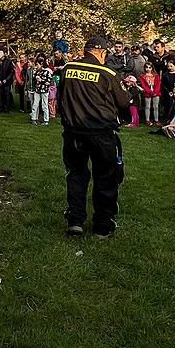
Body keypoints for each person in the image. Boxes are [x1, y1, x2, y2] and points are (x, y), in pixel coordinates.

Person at [58, 36, 130, 239]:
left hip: (73, 133)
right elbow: (124, 102)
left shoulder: (68, 69)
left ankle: (75, 221)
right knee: (106, 177)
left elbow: (63, 96)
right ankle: (103, 226)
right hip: (101, 133)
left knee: (76, 175)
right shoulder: (107, 72)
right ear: (101, 52)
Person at [29, 57, 52, 126]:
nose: (36, 66)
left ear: (41, 64)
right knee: (35, 104)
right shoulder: (37, 72)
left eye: (37, 64)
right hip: (37, 90)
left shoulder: (47, 72)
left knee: (44, 105)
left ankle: (46, 120)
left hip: (44, 90)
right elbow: (33, 80)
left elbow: (49, 82)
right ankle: (34, 118)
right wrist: (34, 76)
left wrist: (41, 80)